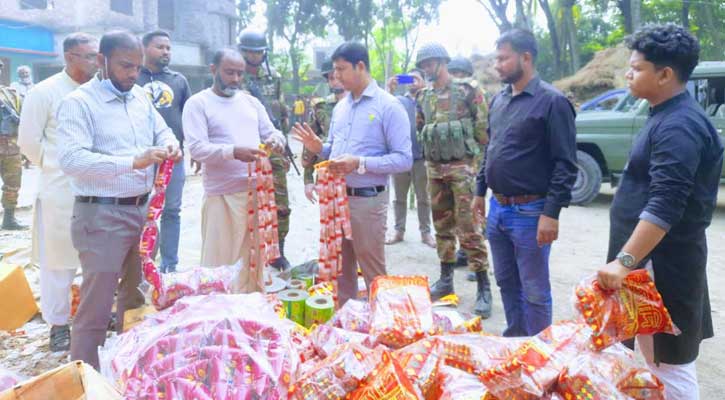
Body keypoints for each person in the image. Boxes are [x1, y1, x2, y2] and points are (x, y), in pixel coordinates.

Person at [597, 24, 720, 399]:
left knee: (670, 366)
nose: (628, 74)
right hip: (651, 266)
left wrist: (625, 261)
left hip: (664, 267)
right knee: (651, 358)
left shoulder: (679, 126)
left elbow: (665, 203)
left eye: (636, 68)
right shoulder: (663, 114)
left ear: (665, 74)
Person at [56, 30, 181, 369]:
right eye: (125, 66)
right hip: (101, 215)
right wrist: (132, 161)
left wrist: (171, 144)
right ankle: (86, 377)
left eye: (137, 67)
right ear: (102, 61)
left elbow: (163, 130)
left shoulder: (139, 97)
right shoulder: (79, 103)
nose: (132, 74)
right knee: (96, 304)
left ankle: (126, 367)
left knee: (135, 295)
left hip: (141, 212)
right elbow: (71, 160)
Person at [473, 29, 577, 336]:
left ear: (526, 58)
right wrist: (480, 190)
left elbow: (565, 164)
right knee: (506, 280)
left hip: (531, 211)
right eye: (497, 58)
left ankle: (539, 353)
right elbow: (490, 150)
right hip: (498, 208)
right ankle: (516, 341)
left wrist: (551, 213)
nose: (498, 65)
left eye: (504, 58)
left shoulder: (552, 102)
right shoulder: (499, 101)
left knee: (533, 288)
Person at [292, 42, 412, 306]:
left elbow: (404, 159)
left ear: (360, 66)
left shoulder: (388, 106)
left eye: (341, 69)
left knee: (373, 272)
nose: (336, 76)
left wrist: (359, 163)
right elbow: (335, 152)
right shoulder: (341, 108)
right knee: (342, 269)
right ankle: (345, 327)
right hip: (338, 199)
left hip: (367, 201)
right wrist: (318, 149)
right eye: (334, 70)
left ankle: (383, 326)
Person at [17, 33, 98, 352]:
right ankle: (58, 324)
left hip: (98, 187)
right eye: (89, 56)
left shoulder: (100, 91)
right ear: (69, 57)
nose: (96, 61)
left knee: (96, 258)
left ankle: (92, 315)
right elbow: (28, 141)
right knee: (58, 261)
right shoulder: (45, 91)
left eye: (97, 55)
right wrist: (55, 166)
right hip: (60, 189)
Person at [183, 49, 285, 292]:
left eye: (240, 73)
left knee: (254, 263)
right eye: (229, 73)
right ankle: (219, 318)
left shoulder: (251, 102)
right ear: (213, 69)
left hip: (256, 194)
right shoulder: (197, 104)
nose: (236, 79)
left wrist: (276, 140)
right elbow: (197, 149)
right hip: (222, 197)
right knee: (219, 265)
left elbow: (272, 131)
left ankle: (249, 314)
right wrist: (233, 152)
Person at [416, 42, 492, 318]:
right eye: (422, 65)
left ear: (442, 62)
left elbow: (483, 132)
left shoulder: (468, 91)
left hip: (462, 170)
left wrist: (476, 168)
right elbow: (421, 128)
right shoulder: (422, 96)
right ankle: (446, 279)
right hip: (435, 171)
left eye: (429, 64)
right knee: (442, 227)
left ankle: (483, 285)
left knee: (469, 227)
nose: (425, 69)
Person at [138, 30, 192, 273]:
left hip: (173, 158)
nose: (166, 52)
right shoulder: (132, 78)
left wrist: (193, 150)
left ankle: (169, 265)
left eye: (168, 48)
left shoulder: (179, 80)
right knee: (140, 210)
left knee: (171, 210)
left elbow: (187, 118)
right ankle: (142, 262)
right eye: (160, 47)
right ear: (144, 48)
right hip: (140, 158)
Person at [238, 28, 292, 271]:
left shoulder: (275, 77)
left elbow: (282, 115)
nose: (254, 56)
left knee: (280, 203)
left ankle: (277, 251)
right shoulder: (234, 76)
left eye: (259, 52)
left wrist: (286, 147)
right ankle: (246, 251)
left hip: (273, 148)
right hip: (245, 151)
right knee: (245, 203)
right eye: (250, 51)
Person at [384, 68, 435, 249]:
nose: (413, 81)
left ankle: (425, 233)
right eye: (410, 78)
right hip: (400, 156)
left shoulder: (429, 100)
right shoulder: (398, 101)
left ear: (423, 81)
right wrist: (389, 89)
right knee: (399, 197)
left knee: (424, 197)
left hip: (422, 157)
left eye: (417, 79)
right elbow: (383, 107)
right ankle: (399, 230)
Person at [447, 55, 482, 279]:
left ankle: (476, 260)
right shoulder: (445, 96)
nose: (458, 78)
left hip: (470, 163)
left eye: (461, 74)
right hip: (449, 164)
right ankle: (462, 252)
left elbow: (483, 130)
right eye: (454, 73)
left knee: (470, 216)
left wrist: (479, 164)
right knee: (453, 214)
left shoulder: (474, 94)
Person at [302, 59, 346, 203]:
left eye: (339, 77)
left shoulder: (363, 106)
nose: (335, 81)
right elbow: (310, 143)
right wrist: (308, 180)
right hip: (327, 174)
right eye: (332, 78)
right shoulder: (321, 107)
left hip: (356, 175)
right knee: (329, 222)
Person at [0, 60, 26, 230]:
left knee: (13, 183)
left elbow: (23, 118)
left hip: (10, 147)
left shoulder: (11, 94)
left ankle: (9, 219)